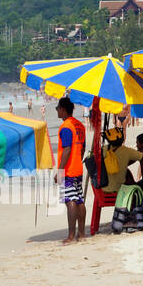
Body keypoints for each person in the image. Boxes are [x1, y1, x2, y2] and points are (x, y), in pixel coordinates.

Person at [55, 98, 87, 244]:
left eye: (57, 108)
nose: (56, 110)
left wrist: (60, 171)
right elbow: (82, 149)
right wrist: (77, 161)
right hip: (78, 168)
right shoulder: (80, 126)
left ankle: (71, 236)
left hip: (68, 170)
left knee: (70, 200)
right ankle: (81, 234)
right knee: (79, 200)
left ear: (63, 109)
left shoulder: (66, 126)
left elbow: (67, 149)